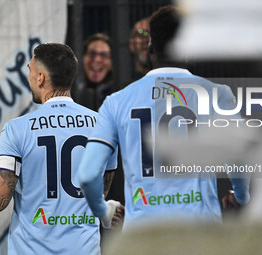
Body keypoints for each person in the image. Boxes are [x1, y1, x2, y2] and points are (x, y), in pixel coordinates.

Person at [78, 6, 250, 230]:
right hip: (200, 233)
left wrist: (103, 212)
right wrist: (240, 196)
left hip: (143, 235)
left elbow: (88, 174)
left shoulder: (116, 102)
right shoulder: (217, 94)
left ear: (151, 48)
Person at [0, 43, 117, 254]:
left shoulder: (17, 129)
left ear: (41, 78)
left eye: (30, 70)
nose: (29, 78)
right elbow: (100, 191)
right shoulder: (104, 126)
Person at [75, 33, 114, 111]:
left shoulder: (118, 95)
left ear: (111, 63)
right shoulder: (69, 93)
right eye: (92, 53)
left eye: (104, 55)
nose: (97, 59)